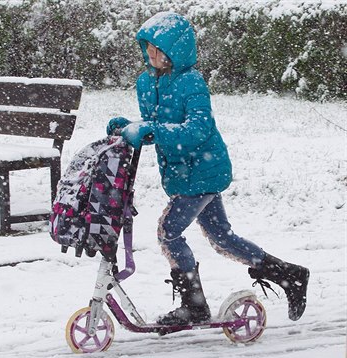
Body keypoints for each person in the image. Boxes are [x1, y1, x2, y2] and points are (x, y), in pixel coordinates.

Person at [107, 12, 310, 325]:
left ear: (177, 50)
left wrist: (153, 130)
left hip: (202, 172)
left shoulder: (192, 83)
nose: (151, 53)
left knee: (169, 233)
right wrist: (132, 127)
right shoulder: (147, 83)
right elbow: (158, 127)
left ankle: (194, 305)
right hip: (181, 174)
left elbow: (196, 130)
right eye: (147, 46)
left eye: (158, 48)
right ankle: (291, 275)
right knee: (222, 238)